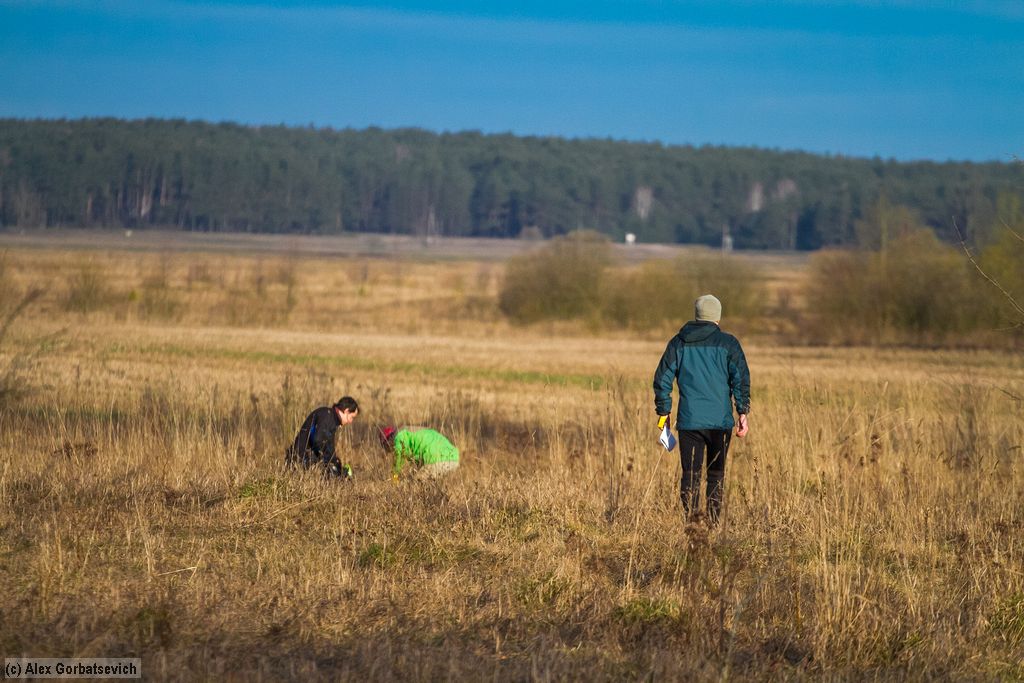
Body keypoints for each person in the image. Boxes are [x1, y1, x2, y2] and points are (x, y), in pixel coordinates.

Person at [653, 294, 750, 524]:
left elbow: (662, 380)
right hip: (721, 423)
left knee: (690, 475)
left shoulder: (678, 342)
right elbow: (741, 379)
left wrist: (663, 413)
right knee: (716, 474)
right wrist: (742, 412)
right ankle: (713, 525)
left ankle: (691, 523)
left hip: (689, 423)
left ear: (696, 315)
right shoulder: (729, 344)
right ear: (717, 317)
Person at [286, 396, 359, 479]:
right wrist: (330, 462)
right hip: (301, 461)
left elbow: (326, 447)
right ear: (346, 411)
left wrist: (336, 463)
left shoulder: (332, 419)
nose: (351, 421)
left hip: (306, 461)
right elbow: (318, 440)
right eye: (352, 417)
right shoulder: (327, 416)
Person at [378, 425, 460, 479]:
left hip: (438, 460)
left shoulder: (399, 437)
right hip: (454, 459)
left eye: (385, 447)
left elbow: (400, 456)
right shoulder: (411, 432)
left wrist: (394, 478)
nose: (389, 451)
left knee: (416, 482)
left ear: (388, 441)